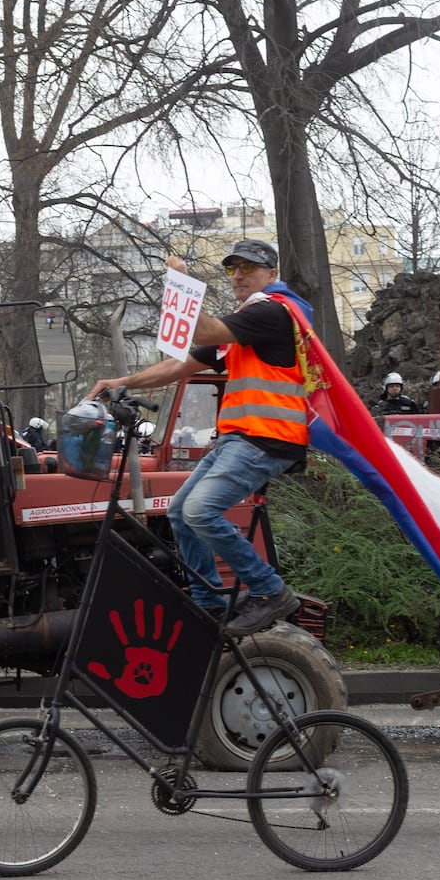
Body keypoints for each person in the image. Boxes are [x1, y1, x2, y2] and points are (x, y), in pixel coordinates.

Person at [87, 238, 306, 637]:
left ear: (272, 275)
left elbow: (201, 329)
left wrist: (181, 281)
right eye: (232, 269)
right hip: (239, 439)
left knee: (199, 512)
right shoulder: (244, 323)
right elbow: (179, 365)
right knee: (179, 513)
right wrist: (122, 382)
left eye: (248, 268)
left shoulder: (271, 311)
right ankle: (208, 604)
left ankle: (270, 591)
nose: (238, 276)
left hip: (265, 439)